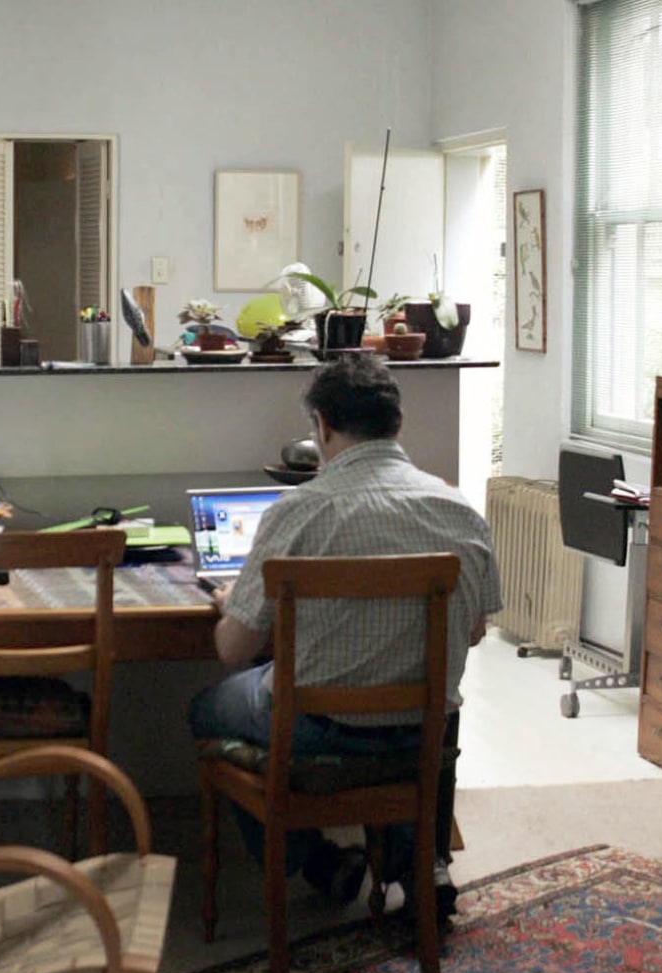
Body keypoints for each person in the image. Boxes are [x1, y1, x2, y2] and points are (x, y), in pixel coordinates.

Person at [189, 354, 501, 915]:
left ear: (323, 427)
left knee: (209, 707)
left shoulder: (298, 511)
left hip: (320, 736)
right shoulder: (460, 511)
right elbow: (474, 632)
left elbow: (231, 650)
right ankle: (420, 863)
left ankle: (316, 863)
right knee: (434, 702)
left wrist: (232, 602)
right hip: (422, 737)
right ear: (396, 424)